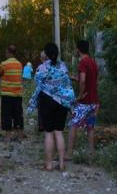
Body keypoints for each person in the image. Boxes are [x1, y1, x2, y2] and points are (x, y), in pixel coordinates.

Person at [28, 43, 75, 171]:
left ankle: (49, 165)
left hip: (47, 101)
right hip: (62, 102)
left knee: (48, 133)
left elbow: (37, 83)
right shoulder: (63, 66)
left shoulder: (42, 68)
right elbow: (67, 85)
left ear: (46, 54)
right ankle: (61, 164)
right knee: (59, 132)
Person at [69, 39, 99, 157]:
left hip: (84, 101)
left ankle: (69, 153)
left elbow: (83, 81)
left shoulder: (83, 63)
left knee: (73, 124)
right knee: (90, 127)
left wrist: (80, 96)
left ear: (78, 49)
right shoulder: (93, 62)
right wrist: (75, 78)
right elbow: (93, 81)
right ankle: (91, 153)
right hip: (94, 100)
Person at [0, 45, 25, 141]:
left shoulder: (4, 64)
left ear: (9, 53)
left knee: (7, 115)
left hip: (7, 94)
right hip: (18, 94)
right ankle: (20, 135)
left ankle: (8, 136)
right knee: (18, 115)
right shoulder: (19, 64)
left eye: (6, 52)